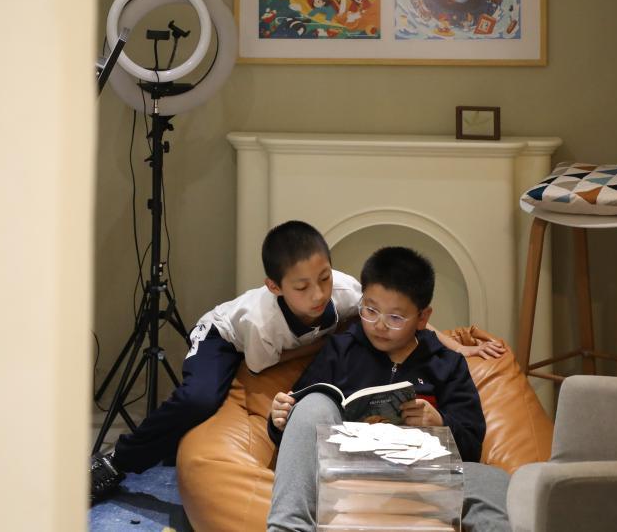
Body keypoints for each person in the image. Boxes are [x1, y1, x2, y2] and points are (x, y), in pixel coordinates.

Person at [90, 223, 501, 504]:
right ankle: (117, 461)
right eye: (302, 287)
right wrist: (329, 345)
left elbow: (403, 316)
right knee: (199, 400)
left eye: (324, 278)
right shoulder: (263, 323)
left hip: (417, 469)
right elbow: (261, 368)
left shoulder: (349, 294)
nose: (319, 294)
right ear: (275, 287)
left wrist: (455, 345)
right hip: (227, 339)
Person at [266, 246, 512, 532]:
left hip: (421, 476)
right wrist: (280, 419)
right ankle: (287, 527)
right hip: (346, 473)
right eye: (370, 310)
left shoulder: (447, 365)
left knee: (494, 480)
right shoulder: (341, 350)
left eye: (395, 318)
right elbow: (301, 426)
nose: (379, 325)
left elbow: (471, 444)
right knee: (313, 402)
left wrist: (440, 422)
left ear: (423, 318)